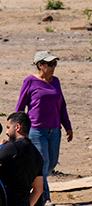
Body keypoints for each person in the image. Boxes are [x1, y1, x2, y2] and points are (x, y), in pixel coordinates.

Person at [15, 51, 72, 194]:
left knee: (51, 163)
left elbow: (62, 106)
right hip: (36, 130)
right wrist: (17, 127)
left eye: (55, 63)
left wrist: (68, 127)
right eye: (50, 64)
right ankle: (44, 196)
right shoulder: (30, 81)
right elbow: (20, 107)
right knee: (43, 162)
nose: (53, 67)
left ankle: (35, 186)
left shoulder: (56, 81)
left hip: (54, 130)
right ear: (40, 65)